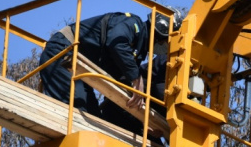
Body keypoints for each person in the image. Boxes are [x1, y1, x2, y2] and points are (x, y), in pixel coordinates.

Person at [39, 11, 178, 118]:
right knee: (81, 112)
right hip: (62, 53)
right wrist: (136, 78)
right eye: (165, 42)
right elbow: (117, 44)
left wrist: (143, 118)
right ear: (160, 34)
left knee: (93, 116)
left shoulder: (136, 52)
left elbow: (119, 85)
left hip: (80, 67)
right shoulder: (132, 23)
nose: (163, 46)